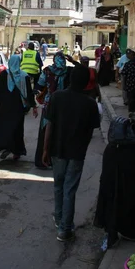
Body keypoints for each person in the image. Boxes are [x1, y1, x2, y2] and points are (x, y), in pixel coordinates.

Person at [43, 64, 101, 242]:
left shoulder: (56, 97)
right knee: (69, 189)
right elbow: (91, 131)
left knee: (59, 186)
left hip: (57, 150)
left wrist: (45, 150)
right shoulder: (90, 104)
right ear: (86, 84)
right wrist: (82, 145)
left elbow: (49, 126)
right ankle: (64, 228)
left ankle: (61, 220)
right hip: (76, 152)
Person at [0, 55, 38, 161]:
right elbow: (29, 93)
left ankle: (6, 147)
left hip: (5, 107)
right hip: (19, 108)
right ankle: (16, 152)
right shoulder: (24, 76)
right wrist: (34, 106)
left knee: (4, 128)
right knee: (17, 130)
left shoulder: (3, 75)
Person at [34, 51, 73, 168]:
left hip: (49, 105)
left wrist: (38, 96)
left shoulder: (47, 71)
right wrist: (73, 61)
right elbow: (83, 70)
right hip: (64, 106)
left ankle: (42, 160)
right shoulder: (69, 71)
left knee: (45, 131)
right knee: (61, 132)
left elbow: (38, 87)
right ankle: (58, 159)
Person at [121, 50, 135, 115]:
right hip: (133, 84)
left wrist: (124, 85)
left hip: (131, 84)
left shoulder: (131, 64)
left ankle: (132, 110)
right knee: (133, 98)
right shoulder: (134, 64)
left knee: (132, 98)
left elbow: (124, 75)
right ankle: (132, 110)